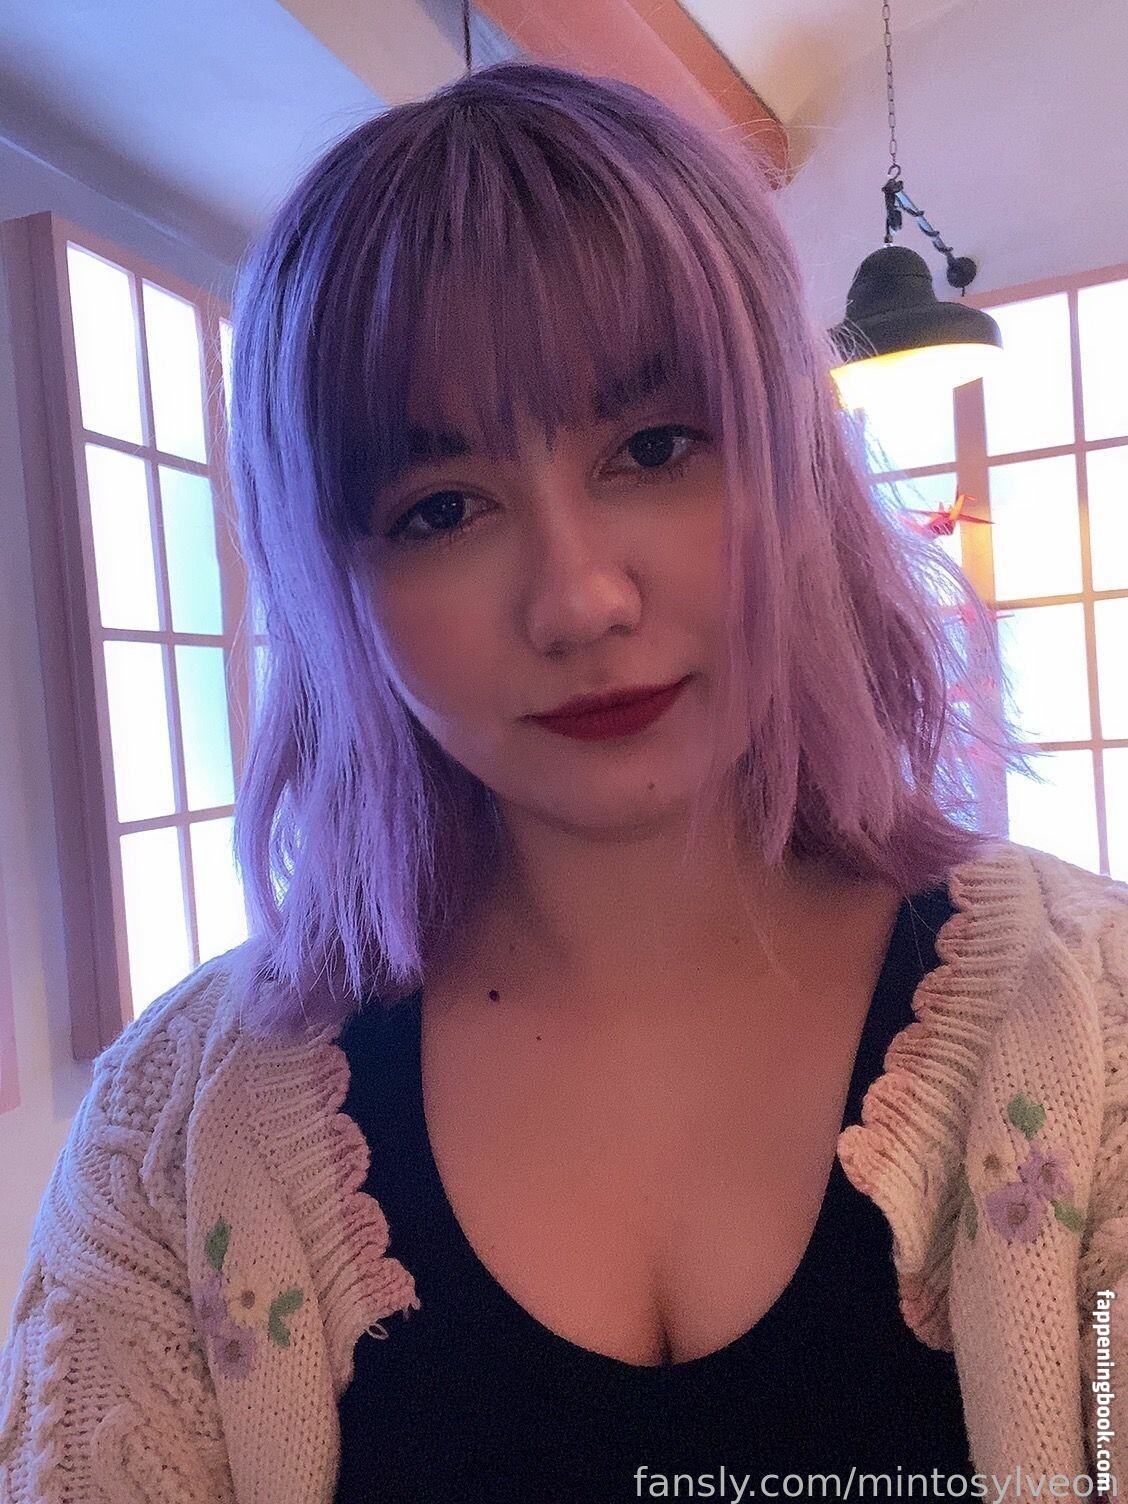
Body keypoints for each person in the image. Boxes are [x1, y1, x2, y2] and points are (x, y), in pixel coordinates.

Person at [2, 57, 1127, 1504]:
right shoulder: (168, 1140)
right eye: (441, 509)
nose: (581, 600)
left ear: (799, 466)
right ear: (334, 589)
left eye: (655, 446)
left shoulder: (1095, 1024)